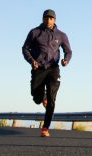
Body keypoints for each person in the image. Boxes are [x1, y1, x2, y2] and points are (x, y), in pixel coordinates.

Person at [22, 9, 72, 137]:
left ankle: (45, 127)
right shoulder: (35, 32)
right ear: (43, 19)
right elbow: (25, 48)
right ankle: (41, 97)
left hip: (53, 69)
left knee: (52, 99)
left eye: (51, 18)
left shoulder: (61, 35)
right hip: (38, 68)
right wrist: (31, 61)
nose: (48, 20)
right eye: (46, 18)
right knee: (36, 97)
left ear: (54, 20)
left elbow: (68, 51)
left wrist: (66, 60)